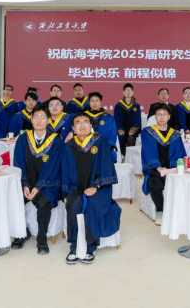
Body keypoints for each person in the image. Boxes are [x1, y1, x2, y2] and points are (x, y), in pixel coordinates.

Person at [62, 112, 121, 265]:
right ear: (73, 128)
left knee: (93, 205)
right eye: (78, 123)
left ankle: (90, 247)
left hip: (100, 187)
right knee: (73, 204)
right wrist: (65, 193)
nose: (82, 125)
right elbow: (65, 172)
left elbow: (107, 168)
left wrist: (95, 186)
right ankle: (74, 246)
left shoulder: (100, 142)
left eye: (85, 122)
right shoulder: (69, 146)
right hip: (76, 187)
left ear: (91, 126)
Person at [12, 105, 63, 255]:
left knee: (44, 202)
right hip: (28, 182)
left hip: (50, 184)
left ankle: (41, 240)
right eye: (36, 117)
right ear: (31, 119)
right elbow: (19, 164)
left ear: (48, 120)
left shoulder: (56, 141)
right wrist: (25, 185)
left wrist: (38, 187)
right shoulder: (23, 139)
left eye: (43, 117)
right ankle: (22, 233)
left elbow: (53, 168)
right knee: (13, 198)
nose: (39, 120)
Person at [140, 104, 186, 226]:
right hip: (155, 169)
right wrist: (159, 167)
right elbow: (147, 152)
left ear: (169, 116)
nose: (162, 117)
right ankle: (160, 212)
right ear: (155, 116)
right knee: (154, 184)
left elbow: (180, 153)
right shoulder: (148, 132)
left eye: (164, 114)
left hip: (172, 169)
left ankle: (180, 212)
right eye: (159, 114)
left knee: (182, 183)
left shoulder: (175, 134)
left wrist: (172, 168)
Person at [86, 93, 118, 161]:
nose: (94, 103)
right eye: (92, 101)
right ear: (89, 103)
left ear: (100, 102)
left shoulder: (108, 117)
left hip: (104, 147)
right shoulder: (83, 116)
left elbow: (113, 133)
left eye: (97, 101)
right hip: (86, 147)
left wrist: (107, 145)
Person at [113, 83, 142, 152]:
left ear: (132, 92)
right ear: (123, 92)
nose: (128, 92)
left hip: (132, 130)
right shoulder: (118, 105)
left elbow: (137, 120)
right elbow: (116, 119)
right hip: (121, 129)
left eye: (130, 90)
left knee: (130, 138)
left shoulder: (136, 105)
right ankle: (122, 155)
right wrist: (120, 129)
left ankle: (130, 155)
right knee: (121, 136)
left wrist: (132, 131)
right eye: (126, 90)